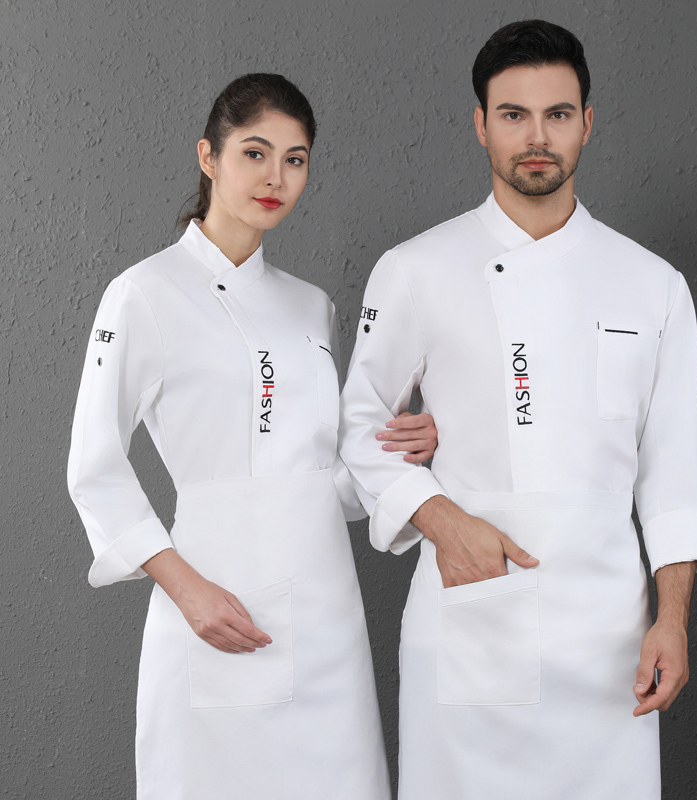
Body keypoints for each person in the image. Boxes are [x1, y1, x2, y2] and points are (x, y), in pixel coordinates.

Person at [339, 19, 697, 800]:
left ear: (587, 123)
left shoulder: (652, 284)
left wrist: (673, 619)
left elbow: (676, 468)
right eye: (514, 114)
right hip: (471, 617)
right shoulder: (416, 269)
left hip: (608, 634)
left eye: (558, 114)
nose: (537, 137)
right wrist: (443, 522)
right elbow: (358, 424)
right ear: (481, 125)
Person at [67, 73, 439, 800]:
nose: (276, 177)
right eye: (255, 153)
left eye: (295, 160)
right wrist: (187, 590)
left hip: (326, 608)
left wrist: (402, 444)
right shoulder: (144, 293)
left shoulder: (311, 305)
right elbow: (94, 465)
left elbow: (325, 478)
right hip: (216, 597)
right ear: (209, 156)